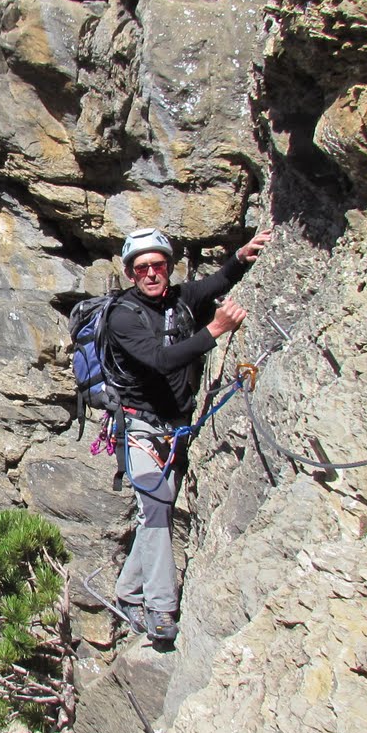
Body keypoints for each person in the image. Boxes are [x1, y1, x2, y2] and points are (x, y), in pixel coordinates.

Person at [106, 225, 272, 643]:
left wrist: (243, 255)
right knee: (158, 508)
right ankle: (160, 608)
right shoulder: (122, 316)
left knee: (155, 511)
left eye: (157, 265)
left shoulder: (181, 300)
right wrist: (214, 330)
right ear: (129, 274)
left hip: (175, 430)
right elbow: (160, 359)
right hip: (140, 428)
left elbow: (218, 281)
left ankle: (128, 591)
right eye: (140, 268)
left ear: (168, 267)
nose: (150, 273)